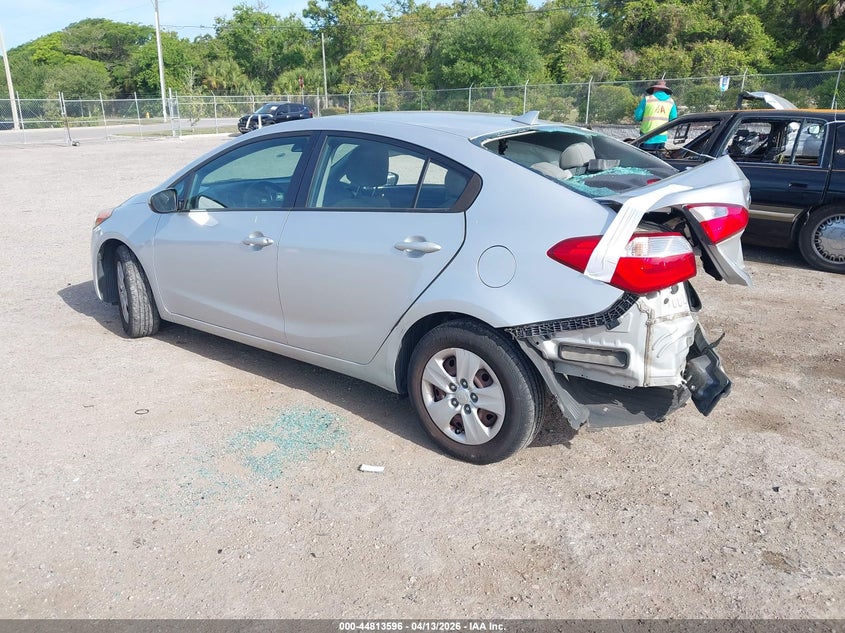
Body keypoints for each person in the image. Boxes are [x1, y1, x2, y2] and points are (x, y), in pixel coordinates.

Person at [634, 80, 678, 151]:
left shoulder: (647, 99)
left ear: (655, 89)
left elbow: (638, 117)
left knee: (646, 159)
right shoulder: (671, 101)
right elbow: (674, 119)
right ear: (665, 90)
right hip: (662, 137)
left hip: (647, 137)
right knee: (658, 159)